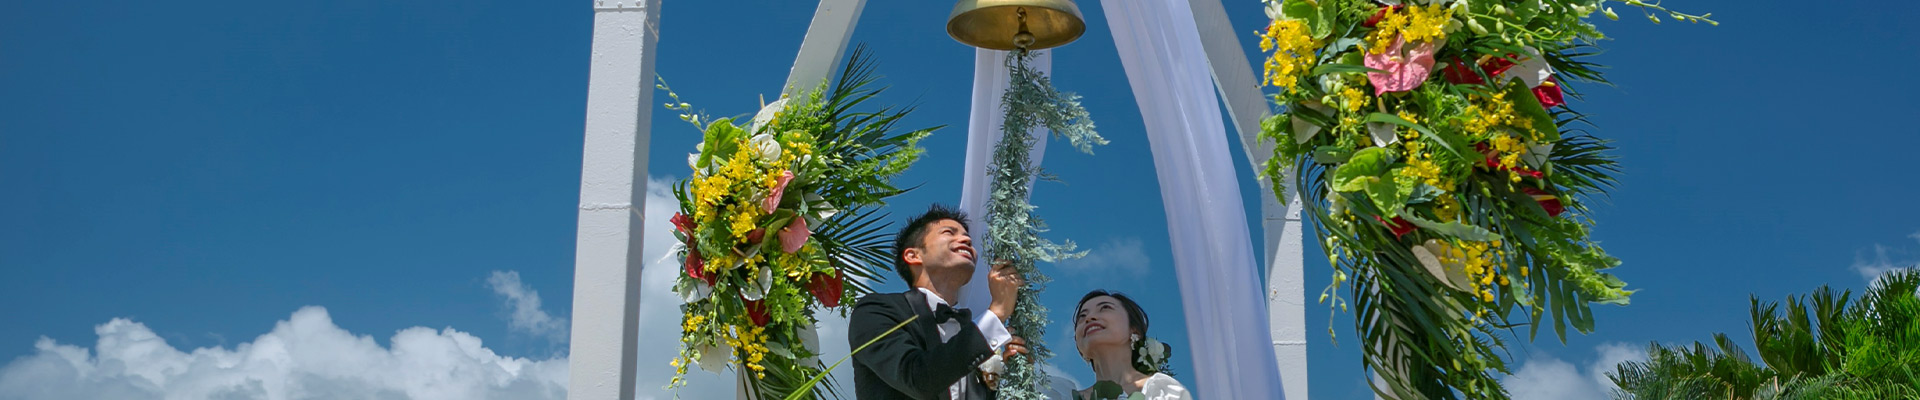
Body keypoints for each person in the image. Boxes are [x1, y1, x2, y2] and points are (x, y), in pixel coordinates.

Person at [849, 204, 1029, 400]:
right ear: (913, 255)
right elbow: (917, 379)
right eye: (949, 232)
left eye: (968, 237)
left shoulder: (976, 335)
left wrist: (1012, 378)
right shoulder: (876, 310)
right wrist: (997, 312)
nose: (967, 239)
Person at [1071, 290, 1191, 400]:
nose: (1089, 318)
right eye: (1082, 316)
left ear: (1134, 330)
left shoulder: (1163, 391)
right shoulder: (1063, 396)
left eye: (1105, 307)